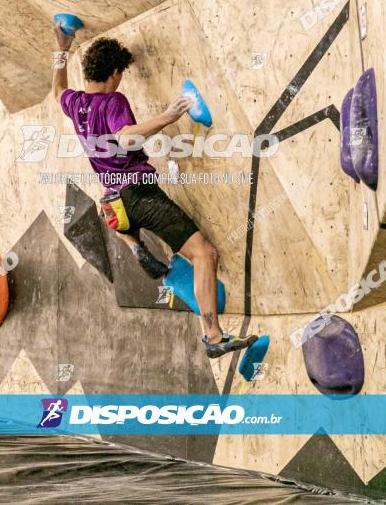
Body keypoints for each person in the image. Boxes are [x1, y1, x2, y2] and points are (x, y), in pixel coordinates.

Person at [52, 24, 258, 359]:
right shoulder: (112, 100)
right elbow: (126, 137)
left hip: (113, 204)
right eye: (121, 74)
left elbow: (57, 88)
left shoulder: (75, 104)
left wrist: (61, 47)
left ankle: (135, 246)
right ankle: (213, 335)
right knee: (205, 254)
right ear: (115, 72)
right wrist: (168, 116)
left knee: (131, 227)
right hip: (139, 193)